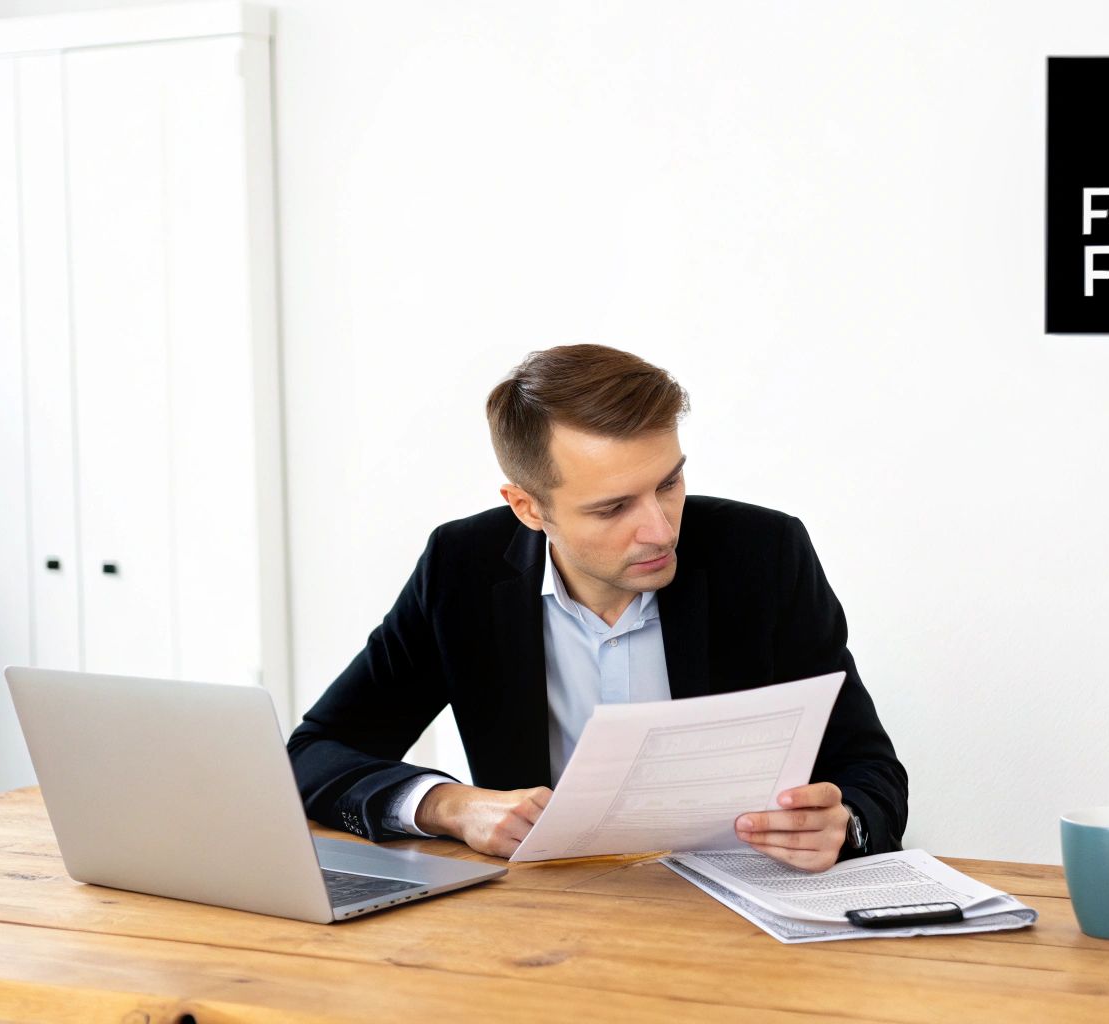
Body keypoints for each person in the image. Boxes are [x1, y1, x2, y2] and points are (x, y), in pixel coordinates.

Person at [287, 345, 907, 871]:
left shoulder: (764, 555)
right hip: (546, 920)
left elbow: (869, 769)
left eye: (668, 483)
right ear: (529, 509)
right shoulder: (462, 570)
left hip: (738, 919)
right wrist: (450, 806)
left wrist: (845, 822)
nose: (661, 530)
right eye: (613, 508)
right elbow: (315, 751)